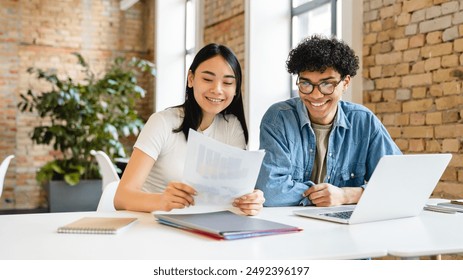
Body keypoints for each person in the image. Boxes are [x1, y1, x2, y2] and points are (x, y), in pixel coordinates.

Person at [114, 43, 264, 215]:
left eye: (228, 82)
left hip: (204, 227)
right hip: (153, 227)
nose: (217, 89)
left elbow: (233, 194)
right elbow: (122, 197)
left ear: (236, 88)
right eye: (207, 79)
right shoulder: (162, 123)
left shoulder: (232, 127)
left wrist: (250, 201)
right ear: (191, 79)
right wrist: (162, 200)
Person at [256, 34, 402, 207]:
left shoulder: (364, 122)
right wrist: (322, 195)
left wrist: (346, 196)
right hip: (292, 225)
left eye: (327, 85)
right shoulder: (278, 118)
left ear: (345, 82)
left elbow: (399, 182)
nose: (316, 95)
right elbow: (271, 190)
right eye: (306, 84)